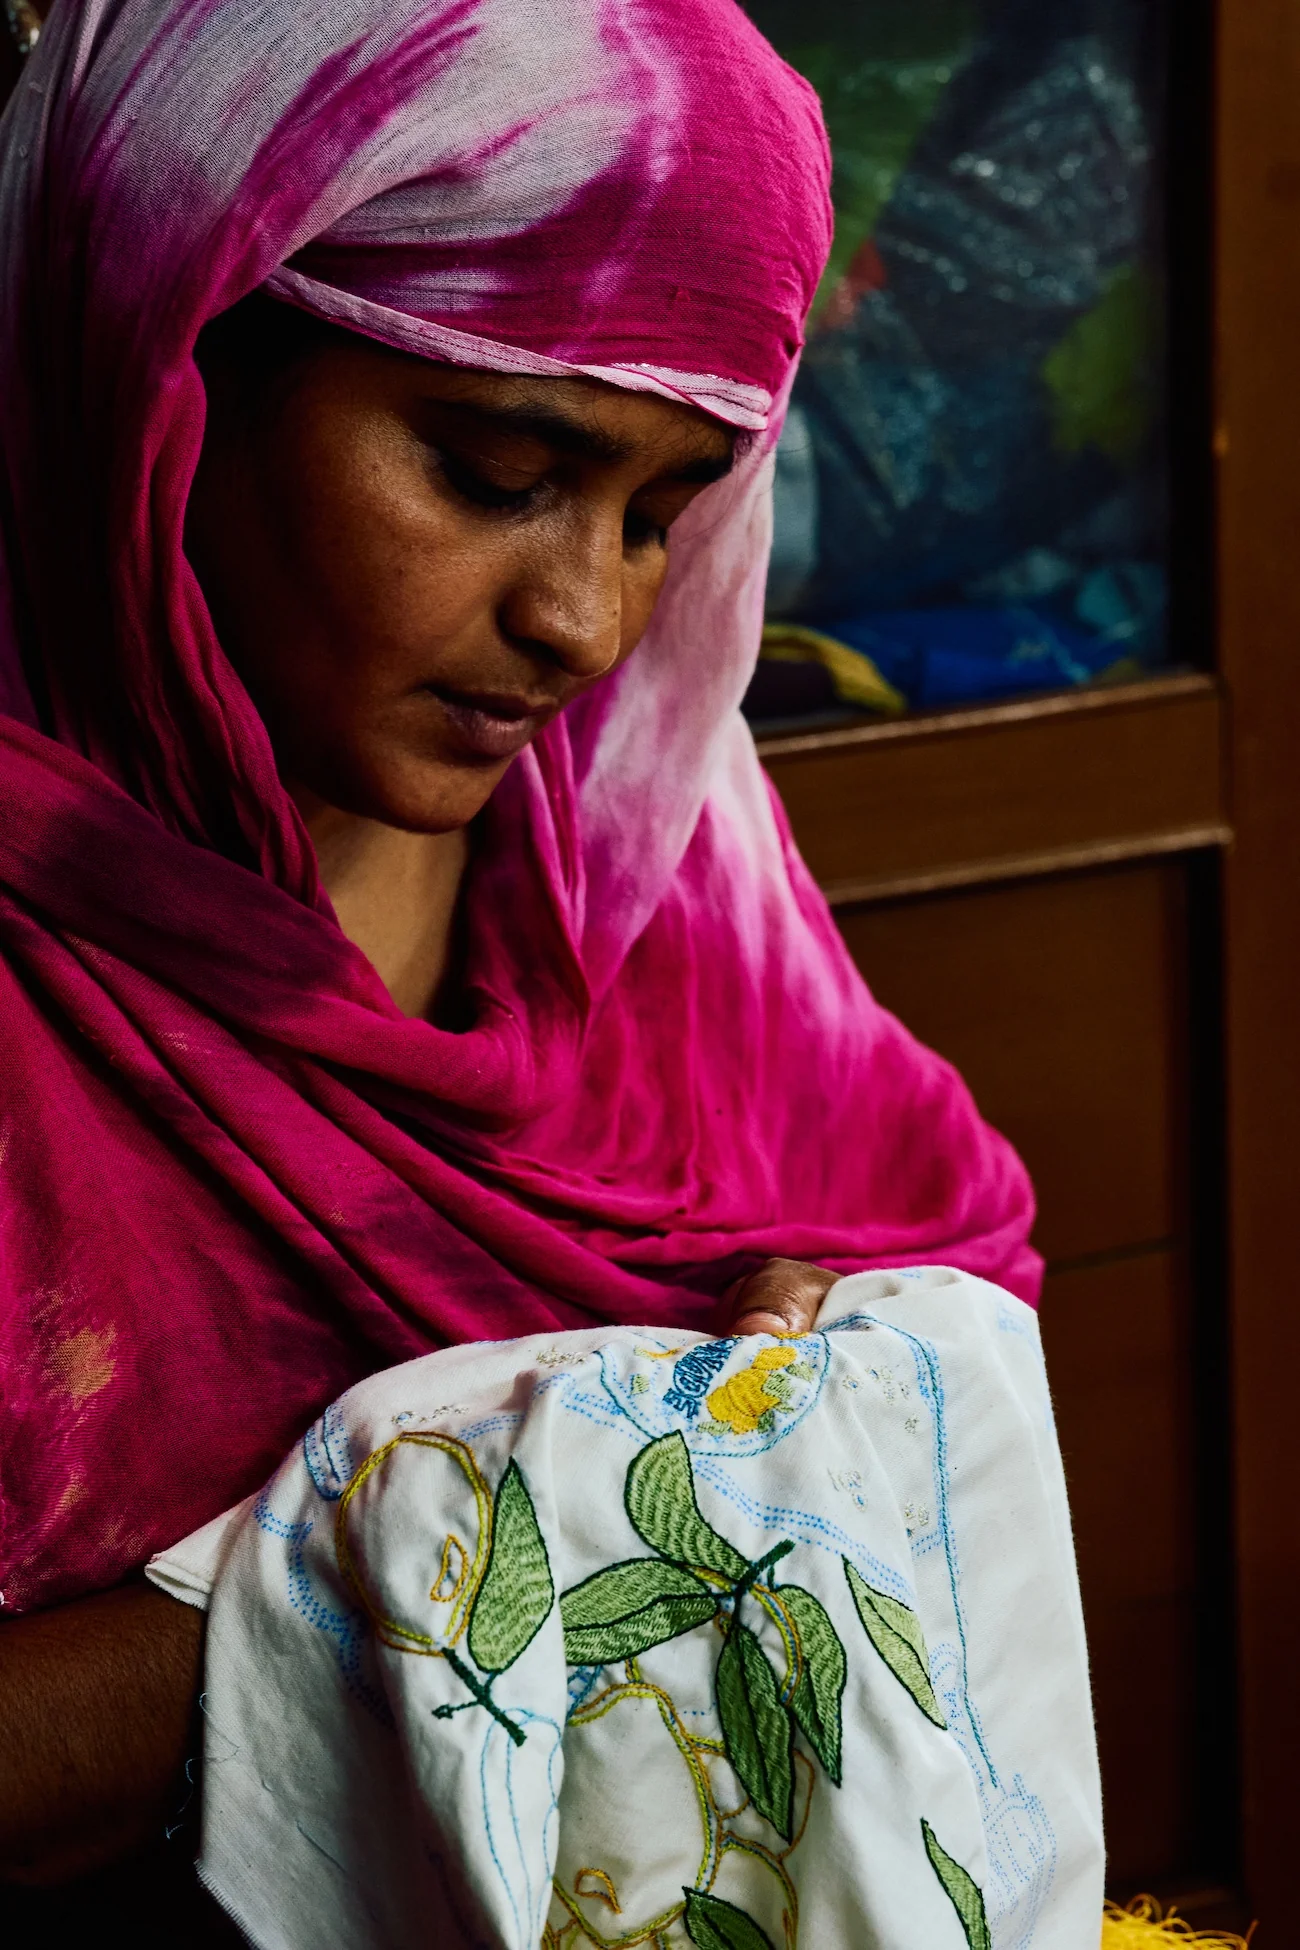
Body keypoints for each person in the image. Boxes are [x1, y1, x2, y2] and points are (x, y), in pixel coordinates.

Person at [0, 0, 1037, 1911]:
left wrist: (815, 1383)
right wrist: (406, 1566)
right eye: (494, 469)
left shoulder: (642, 843)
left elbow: (937, 1256)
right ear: (163, 364)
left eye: (664, 515)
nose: (584, 621)